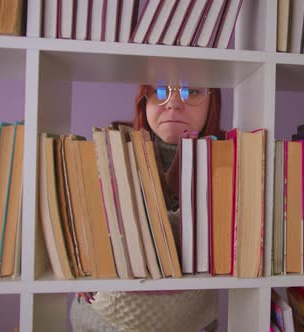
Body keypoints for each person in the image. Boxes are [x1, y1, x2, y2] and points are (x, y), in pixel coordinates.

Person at [70, 84, 224, 332]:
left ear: (212, 102)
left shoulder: (228, 156)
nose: (173, 104)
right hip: (105, 318)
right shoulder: (113, 147)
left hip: (190, 318)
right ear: (143, 100)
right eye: (161, 90)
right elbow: (80, 217)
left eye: (192, 91)